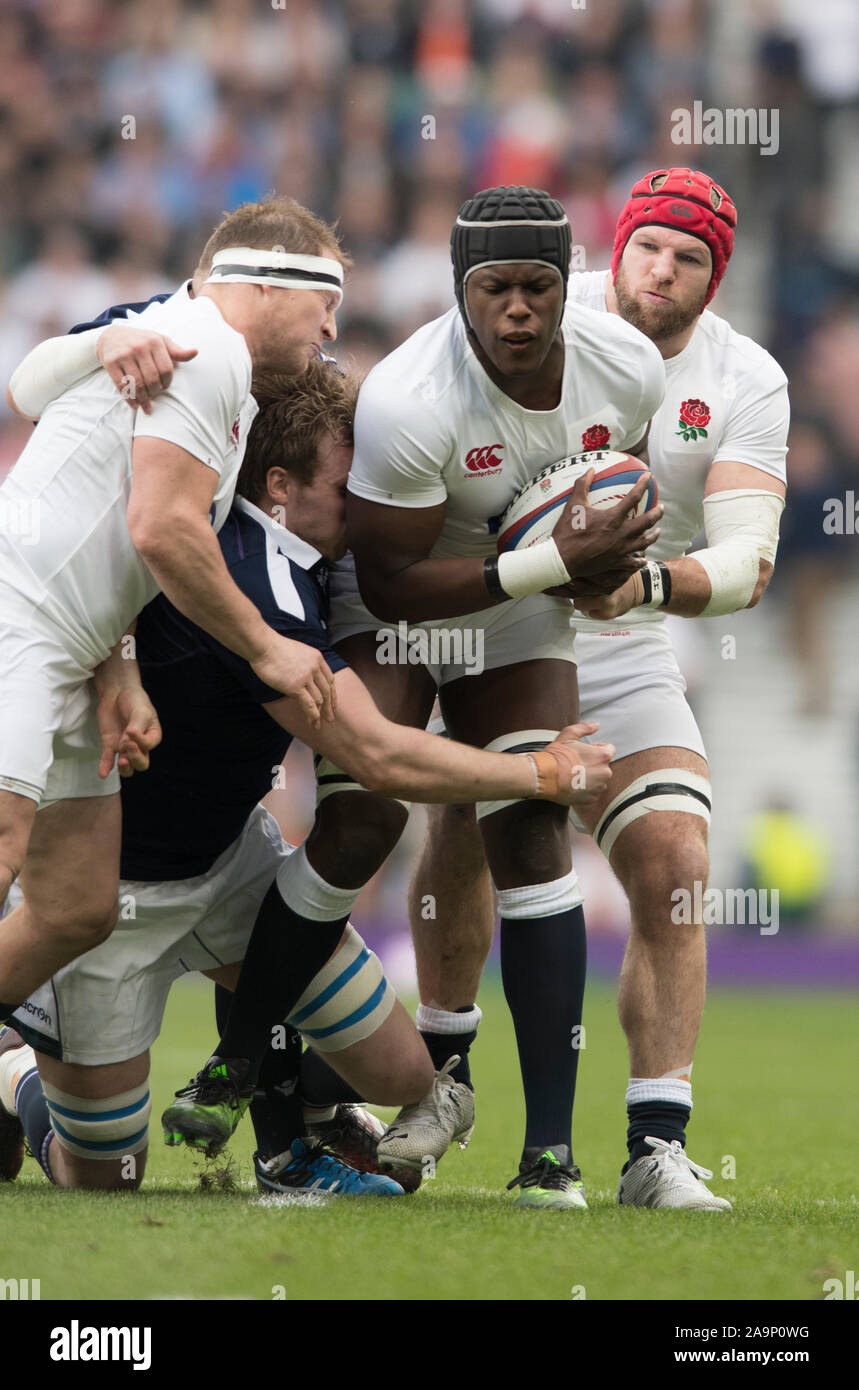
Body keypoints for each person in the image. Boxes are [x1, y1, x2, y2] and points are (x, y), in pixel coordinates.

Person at [0, 361, 611, 1196]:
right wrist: (543, 770)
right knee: (101, 1176)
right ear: (279, 485)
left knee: (405, 1079)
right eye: (343, 483)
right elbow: (378, 757)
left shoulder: (308, 549)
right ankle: (14, 1077)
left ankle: (288, 1133)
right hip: (114, 890)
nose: (364, 500)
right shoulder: (256, 579)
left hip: (231, 868)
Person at [264, 184, 666, 1209]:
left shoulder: (626, 362)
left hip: (515, 601)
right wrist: (550, 562)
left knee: (531, 831)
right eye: (497, 289)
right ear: (460, 290)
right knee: (361, 821)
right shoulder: (409, 396)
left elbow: (625, 492)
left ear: (568, 286)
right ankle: (269, 1073)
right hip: (400, 601)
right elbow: (394, 580)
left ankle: (548, 1161)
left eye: (538, 285)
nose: (520, 309)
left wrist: (598, 560)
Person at [407, 168, 789, 1210]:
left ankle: (653, 1144)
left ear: (715, 281)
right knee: (468, 824)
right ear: (611, 251)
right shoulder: (531, 306)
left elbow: (750, 560)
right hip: (494, 619)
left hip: (624, 634)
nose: (660, 272)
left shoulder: (744, 378)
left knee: (675, 859)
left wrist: (644, 583)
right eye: (647, 248)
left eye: (688, 259)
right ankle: (441, 1080)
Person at [0, 196, 346, 1037]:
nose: (332, 329)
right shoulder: (209, 351)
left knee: (77, 906)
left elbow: (48, 421)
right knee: (3, 839)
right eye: (325, 302)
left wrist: (119, 659)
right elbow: (160, 528)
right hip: (21, 619)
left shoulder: (194, 347)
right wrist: (268, 648)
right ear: (266, 284)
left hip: (74, 648)